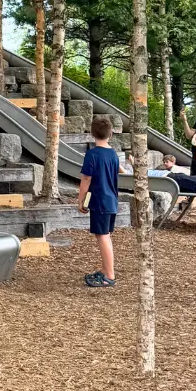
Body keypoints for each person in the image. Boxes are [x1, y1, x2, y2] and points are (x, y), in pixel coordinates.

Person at [78, 117, 119, 288]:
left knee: (103, 236)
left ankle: (109, 275)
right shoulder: (113, 153)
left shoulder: (92, 154)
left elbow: (87, 178)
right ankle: (105, 269)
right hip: (111, 200)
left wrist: (81, 200)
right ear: (110, 133)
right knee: (104, 235)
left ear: (92, 133)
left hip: (100, 200)